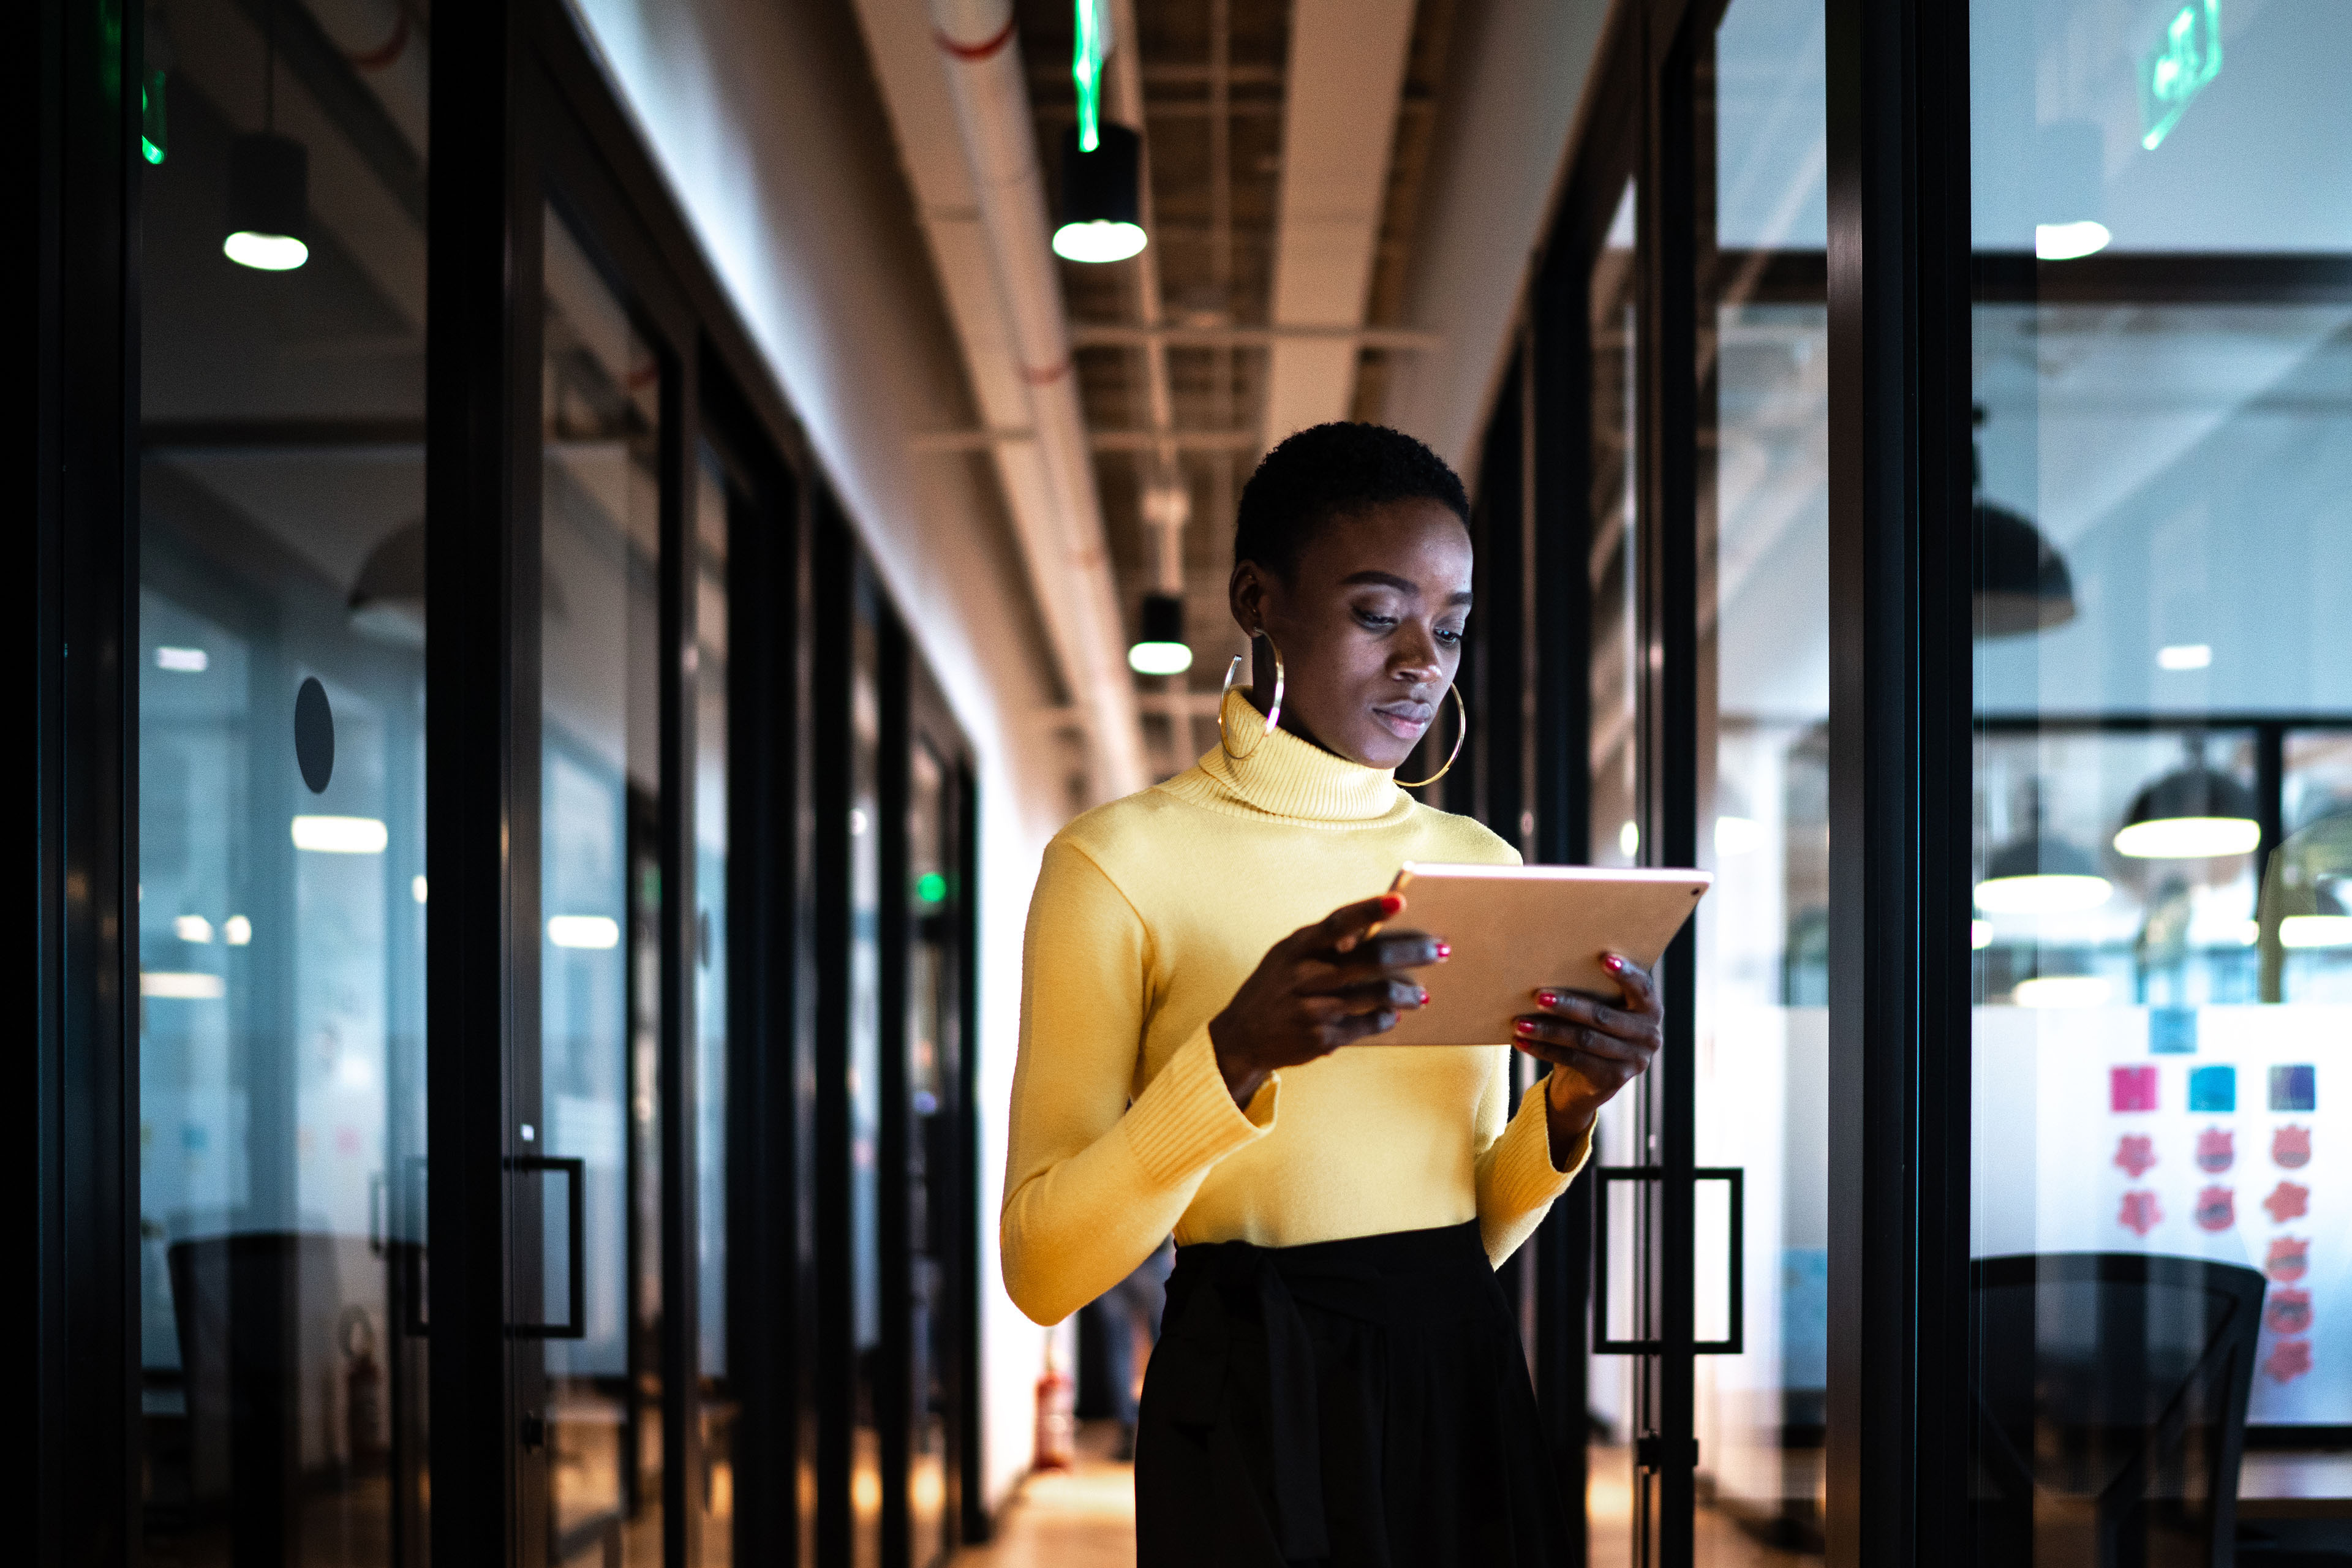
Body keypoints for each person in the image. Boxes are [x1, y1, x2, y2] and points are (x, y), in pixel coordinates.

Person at [1000, 421, 1665, 1566]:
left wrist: (1567, 1110)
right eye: (1377, 615)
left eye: (1450, 629)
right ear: (1258, 599)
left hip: (1459, 1372)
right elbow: (1044, 1269)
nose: (1423, 661)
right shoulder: (1116, 862)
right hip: (1247, 1391)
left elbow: (1466, 1227)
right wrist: (1233, 1057)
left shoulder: (1482, 868)